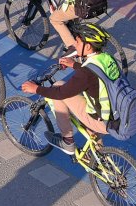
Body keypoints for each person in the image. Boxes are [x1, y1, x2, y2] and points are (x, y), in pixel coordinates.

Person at [19, 21, 121, 154]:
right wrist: (74, 65)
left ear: (88, 47)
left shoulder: (86, 74)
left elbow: (61, 93)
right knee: (85, 106)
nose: (74, 45)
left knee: (57, 87)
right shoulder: (107, 59)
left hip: (103, 121)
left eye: (77, 42)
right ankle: (99, 157)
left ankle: (67, 141)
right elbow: (95, 74)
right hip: (119, 113)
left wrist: (36, 89)